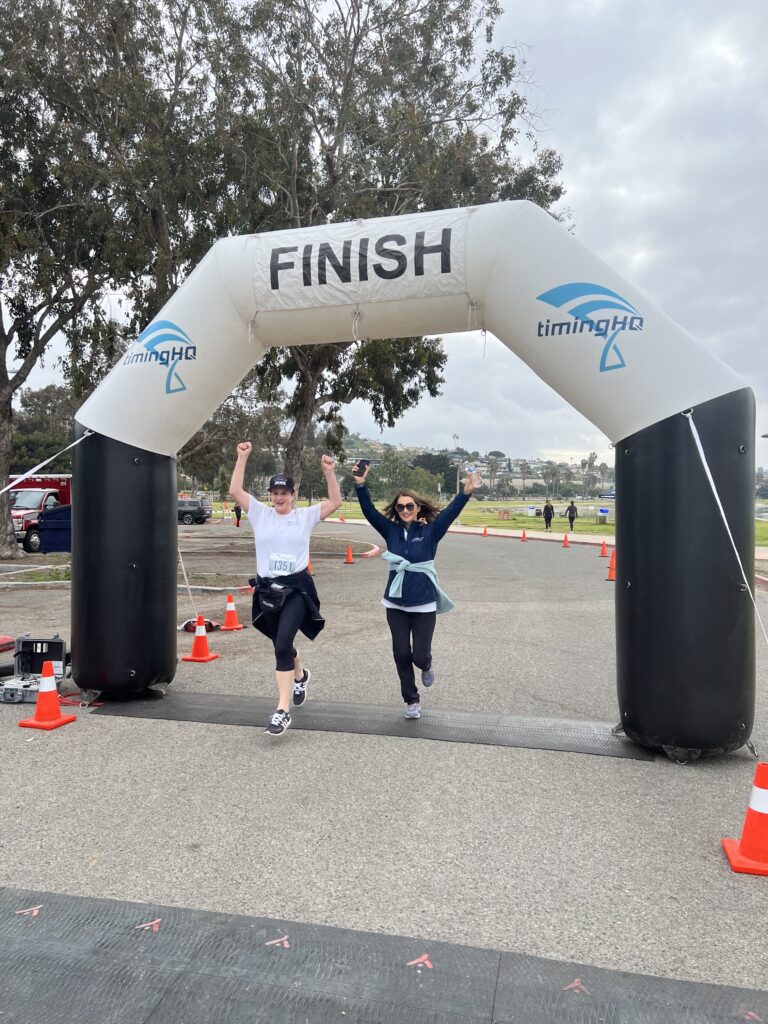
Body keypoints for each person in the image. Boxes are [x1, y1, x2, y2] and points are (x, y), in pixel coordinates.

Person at [229, 442, 341, 737]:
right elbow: (236, 492)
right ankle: (301, 675)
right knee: (282, 643)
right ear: (271, 495)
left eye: (285, 493)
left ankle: (281, 711)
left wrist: (329, 473)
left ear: (293, 495)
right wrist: (242, 457)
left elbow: (334, 503)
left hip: (296, 590)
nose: (279, 497)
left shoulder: (302, 517)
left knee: (281, 647)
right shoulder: (259, 514)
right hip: (267, 592)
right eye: (275, 493)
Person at [351, 462, 477, 719]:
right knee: (400, 653)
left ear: (418, 508)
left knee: (418, 655)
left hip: (423, 603)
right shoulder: (391, 530)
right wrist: (360, 484)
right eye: (400, 506)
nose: (405, 509)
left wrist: (466, 491)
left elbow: (450, 512)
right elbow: (369, 511)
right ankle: (411, 700)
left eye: (410, 505)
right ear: (396, 510)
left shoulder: (430, 531)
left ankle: (427, 665)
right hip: (395, 603)